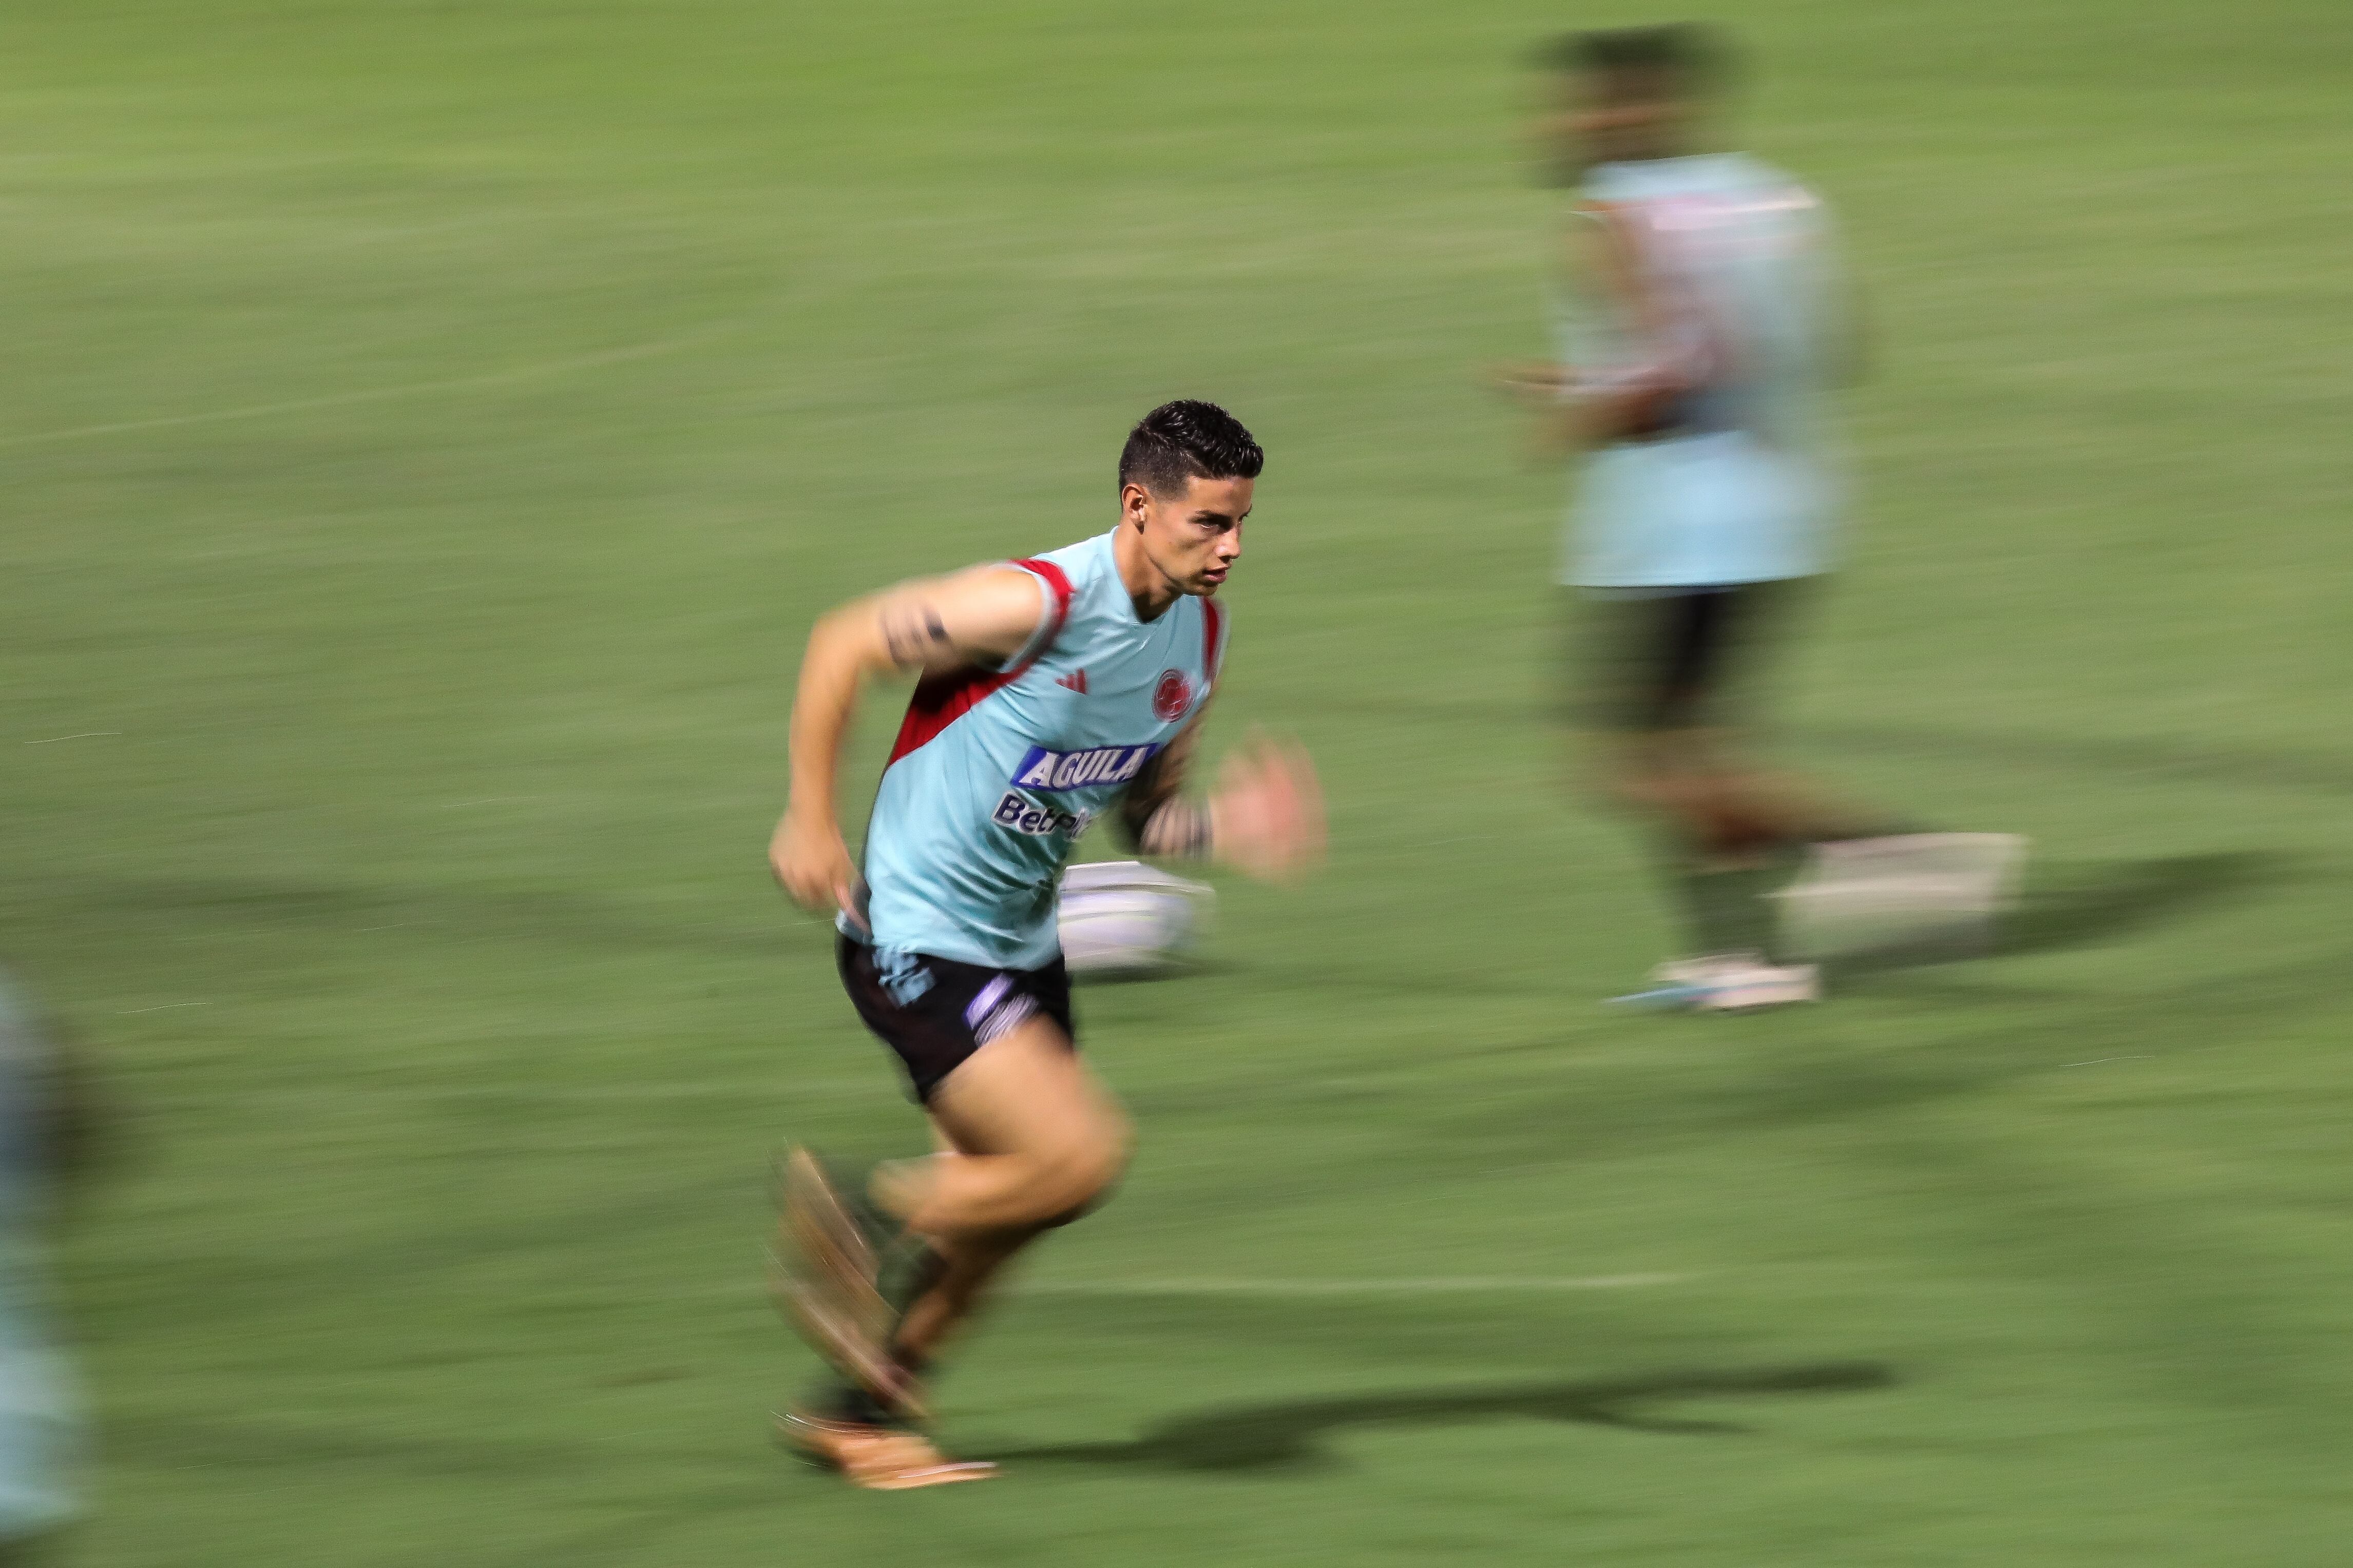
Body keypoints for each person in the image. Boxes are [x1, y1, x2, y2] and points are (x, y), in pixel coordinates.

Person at [766, 399, 1323, 1489]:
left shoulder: (1198, 643)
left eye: (1244, 523)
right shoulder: (1035, 603)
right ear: (1138, 505)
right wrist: (808, 815)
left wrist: (1224, 829)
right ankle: (861, 1218)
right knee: (1074, 1158)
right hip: (915, 929)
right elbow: (843, 641)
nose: (1234, 547)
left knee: (1017, 1204)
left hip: (1019, 945)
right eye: (1211, 522)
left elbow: (1146, 816)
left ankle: (864, 1411)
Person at [1497, 24, 1888, 1010]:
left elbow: (1678, 371)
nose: (1556, 125)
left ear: (1630, 110)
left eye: (1576, 106)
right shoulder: (1773, 196)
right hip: (1788, 505)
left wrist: (1581, 418)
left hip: (1684, 527)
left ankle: (1888, 858)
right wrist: (1595, 376)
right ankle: (1738, 960)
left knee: (1629, 761)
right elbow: (1837, 347)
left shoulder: (1613, 215)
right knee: (1685, 748)